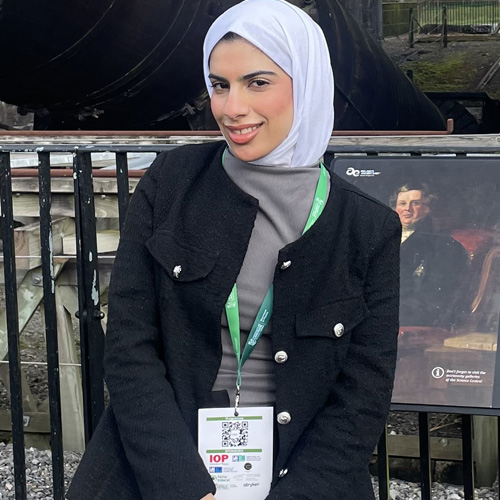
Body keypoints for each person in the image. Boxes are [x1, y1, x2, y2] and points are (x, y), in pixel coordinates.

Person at [68, 1, 401, 499]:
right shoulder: (171, 183)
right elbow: (130, 349)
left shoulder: (367, 226)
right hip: (160, 467)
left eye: (257, 82)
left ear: (307, 83)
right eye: (219, 85)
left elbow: (362, 393)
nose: (231, 108)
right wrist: (184, 486)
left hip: (305, 478)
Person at [391, 183, 468, 328]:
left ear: (428, 209)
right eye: (402, 203)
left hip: (409, 319)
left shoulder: (445, 247)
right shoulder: (380, 240)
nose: (407, 209)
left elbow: (431, 302)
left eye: (415, 203)